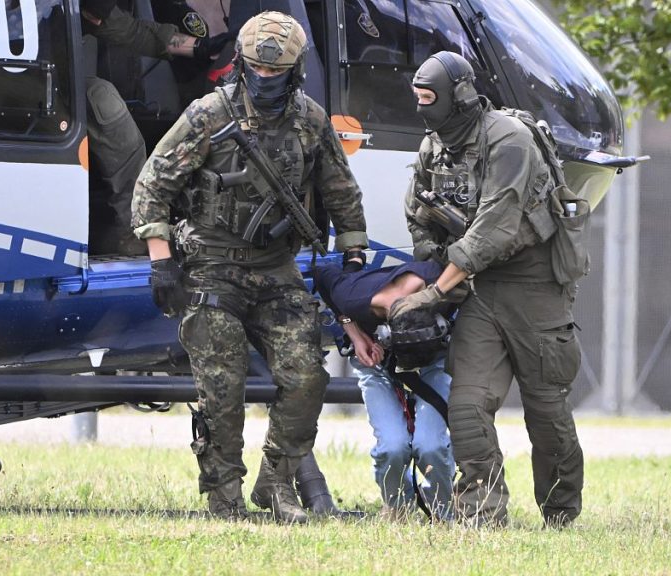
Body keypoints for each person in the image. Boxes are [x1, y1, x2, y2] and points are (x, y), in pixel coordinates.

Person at [130, 11, 368, 523]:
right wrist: (161, 262)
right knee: (222, 385)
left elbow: (341, 192)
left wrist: (353, 254)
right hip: (212, 265)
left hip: (275, 267)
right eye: (257, 69)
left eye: (275, 72)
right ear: (241, 62)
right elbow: (152, 184)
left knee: (307, 377)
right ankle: (224, 497)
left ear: (294, 71)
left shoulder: (310, 120)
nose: (264, 78)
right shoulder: (209, 115)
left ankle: (276, 484)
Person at [390, 51, 585, 528]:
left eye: (430, 97)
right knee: (468, 405)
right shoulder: (434, 147)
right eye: (418, 97)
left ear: (457, 95)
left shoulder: (510, 139)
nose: (422, 107)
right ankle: (483, 511)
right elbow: (416, 213)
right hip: (482, 288)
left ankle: (560, 512)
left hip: (535, 286)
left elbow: (494, 231)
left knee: (546, 412)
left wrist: (436, 293)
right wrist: (434, 253)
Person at [81, 0, 232, 255]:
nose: (97, 18)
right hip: (22, 87)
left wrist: (200, 47)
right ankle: (135, 231)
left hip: (54, 82)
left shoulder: (90, 12)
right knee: (102, 98)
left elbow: (131, 31)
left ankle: (134, 230)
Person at [313, 261, 455, 521]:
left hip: (435, 355)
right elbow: (322, 274)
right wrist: (355, 333)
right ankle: (398, 509)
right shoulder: (353, 297)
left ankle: (444, 513)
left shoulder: (441, 278)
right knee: (393, 446)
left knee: (430, 445)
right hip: (379, 359)